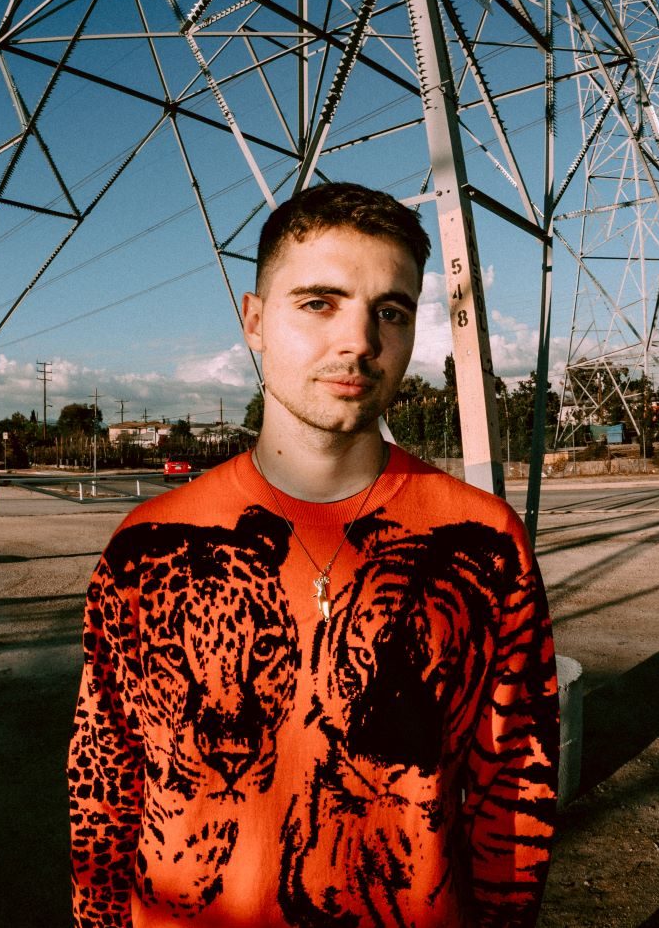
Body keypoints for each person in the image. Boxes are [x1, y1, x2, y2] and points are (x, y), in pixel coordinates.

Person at [67, 182, 559, 927]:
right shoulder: (145, 548)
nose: (358, 341)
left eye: (389, 312)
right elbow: (104, 782)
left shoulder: (483, 542)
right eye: (319, 303)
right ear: (254, 320)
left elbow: (516, 783)